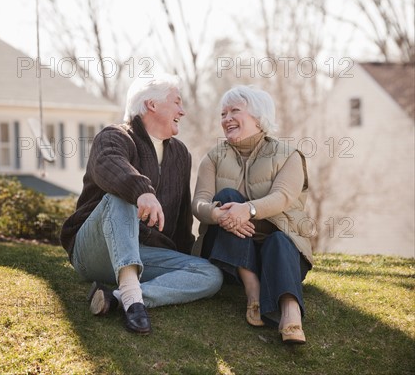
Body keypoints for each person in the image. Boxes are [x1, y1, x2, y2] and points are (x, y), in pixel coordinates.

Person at [60, 74, 223, 335]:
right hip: (95, 251)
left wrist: (186, 256)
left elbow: (181, 216)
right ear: (152, 104)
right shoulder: (114, 136)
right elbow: (109, 165)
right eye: (177, 102)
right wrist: (141, 191)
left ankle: (118, 296)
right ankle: (133, 301)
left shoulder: (180, 154)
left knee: (210, 275)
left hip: (145, 253)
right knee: (120, 197)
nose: (183, 111)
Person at [191, 85, 314, 344]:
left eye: (235, 111)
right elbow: (199, 203)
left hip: (279, 253)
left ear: (259, 117)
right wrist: (218, 215)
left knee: (279, 240)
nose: (226, 119)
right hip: (228, 256)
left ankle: (290, 312)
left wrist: (248, 210)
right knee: (226, 198)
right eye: (223, 114)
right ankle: (252, 289)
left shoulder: (287, 155)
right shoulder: (213, 157)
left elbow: (281, 197)